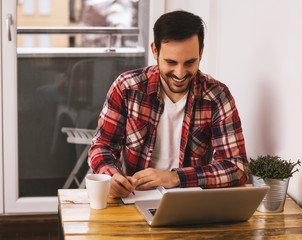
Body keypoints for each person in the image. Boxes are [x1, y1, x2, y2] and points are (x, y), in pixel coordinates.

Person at [88, 10, 248, 198]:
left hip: (188, 201)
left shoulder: (217, 97)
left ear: (201, 51)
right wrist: (111, 177)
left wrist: (176, 178)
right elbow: (101, 146)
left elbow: (237, 167)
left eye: (189, 62)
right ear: (155, 50)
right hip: (133, 198)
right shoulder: (127, 88)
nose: (180, 73)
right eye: (171, 62)